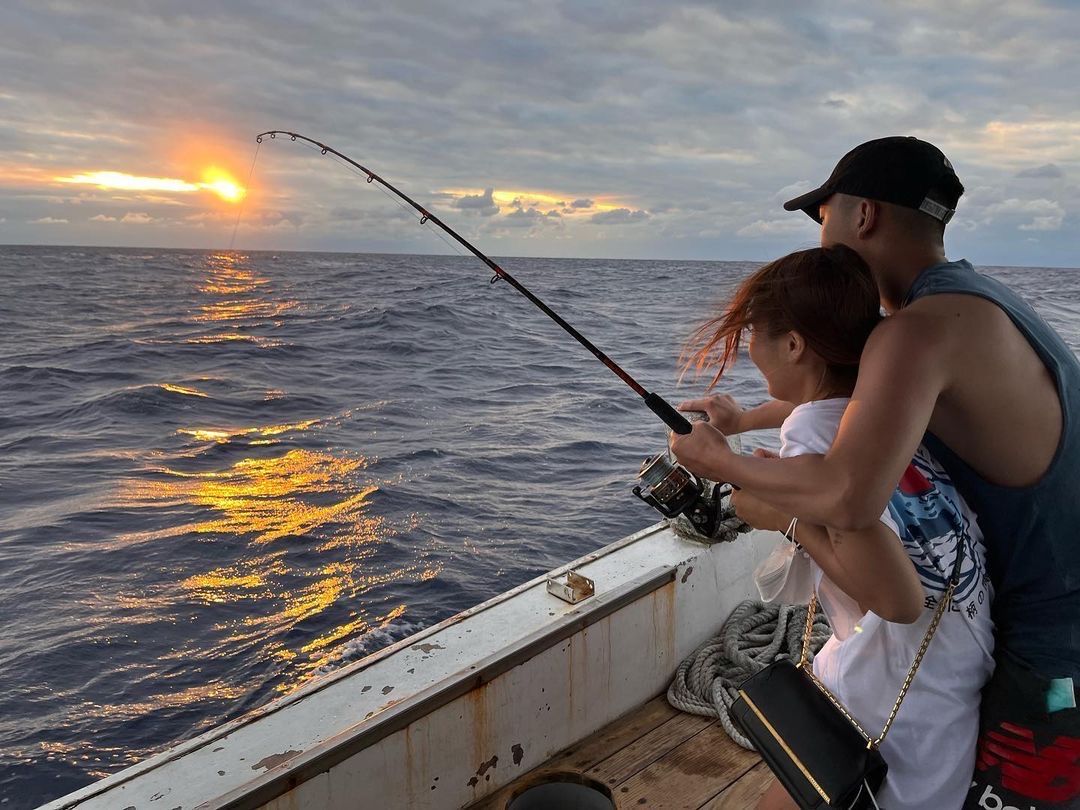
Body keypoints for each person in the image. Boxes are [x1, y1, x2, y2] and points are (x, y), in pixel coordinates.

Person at [671, 136, 1080, 809]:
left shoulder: (915, 331)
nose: (822, 234)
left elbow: (850, 496)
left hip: (1044, 639)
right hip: (1022, 607)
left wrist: (721, 463)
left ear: (862, 216)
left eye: (822, 214)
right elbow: (859, 397)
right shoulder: (965, 306)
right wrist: (744, 420)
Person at [681, 243, 994, 809]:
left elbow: (896, 598)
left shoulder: (814, 435)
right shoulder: (887, 410)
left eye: (755, 335)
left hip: (901, 690)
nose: (752, 350)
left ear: (794, 344)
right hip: (957, 653)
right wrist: (745, 422)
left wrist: (784, 515)